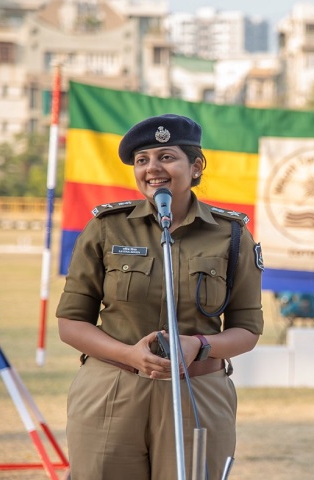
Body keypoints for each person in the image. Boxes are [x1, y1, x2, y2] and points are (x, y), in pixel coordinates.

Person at [56, 114, 265, 479]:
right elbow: (71, 323)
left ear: (196, 166)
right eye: (142, 160)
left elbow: (247, 330)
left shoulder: (231, 235)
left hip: (197, 392)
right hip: (112, 390)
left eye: (166, 157)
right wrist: (129, 355)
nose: (152, 168)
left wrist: (199, 345)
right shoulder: (107, 227)